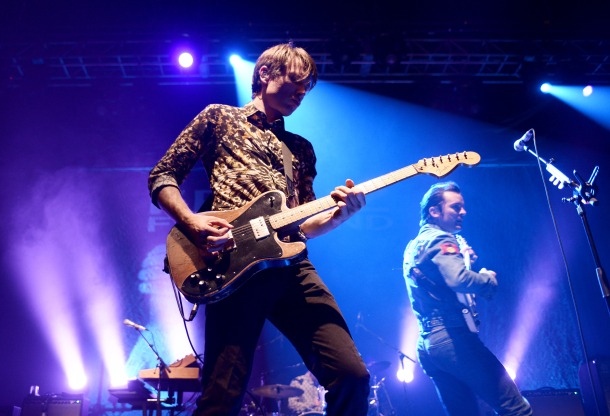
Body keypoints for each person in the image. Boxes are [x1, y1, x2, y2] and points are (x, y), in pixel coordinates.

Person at [148, 42, 370, 416]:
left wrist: (339, 215)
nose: (302, 93)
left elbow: (303, 219)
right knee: (223, 397)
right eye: (296, 81)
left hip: (291, 267)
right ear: (265, 73)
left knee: (352, 376)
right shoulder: (219, 117)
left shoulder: (300, 148)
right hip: (233, 263)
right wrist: (191, 220)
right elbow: (163, 174)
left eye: (307, 89)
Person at [402, 182, 532, 416]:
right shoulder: (442, 239)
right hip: (452, 338)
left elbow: (437, 283)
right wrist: (486, 279)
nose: (463, 212)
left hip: (428, 344)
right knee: (516, 409)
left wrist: (463, 258)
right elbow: (459, 279)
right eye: (456, 207)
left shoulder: (413, 245)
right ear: (434, 211)